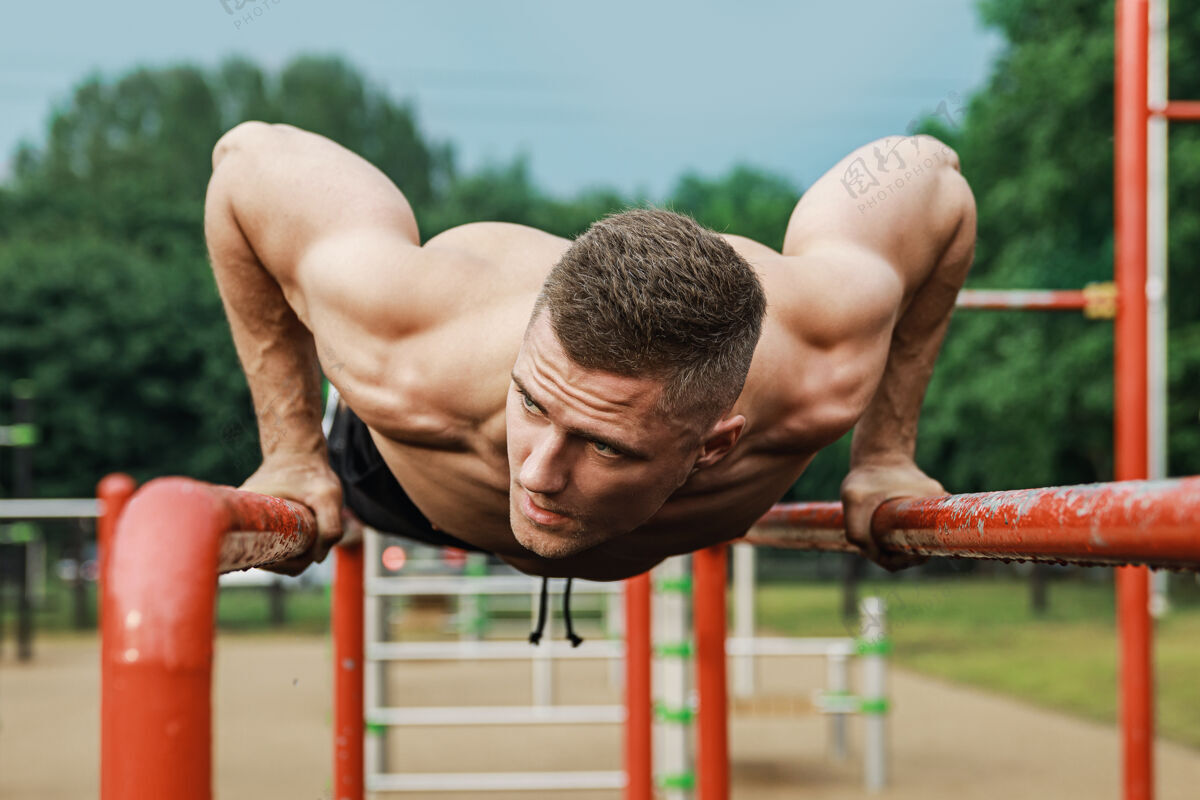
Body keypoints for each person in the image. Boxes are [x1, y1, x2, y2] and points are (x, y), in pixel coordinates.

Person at [205, 122, 975, 581]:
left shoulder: (824, 365)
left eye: (606, 445)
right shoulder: (404, 344)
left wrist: (885, 452)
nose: (535, 469)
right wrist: (292, 451)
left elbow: (934, 178)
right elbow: (246, 159)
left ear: (716, 445)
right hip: (403, 477)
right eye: (533, 403)